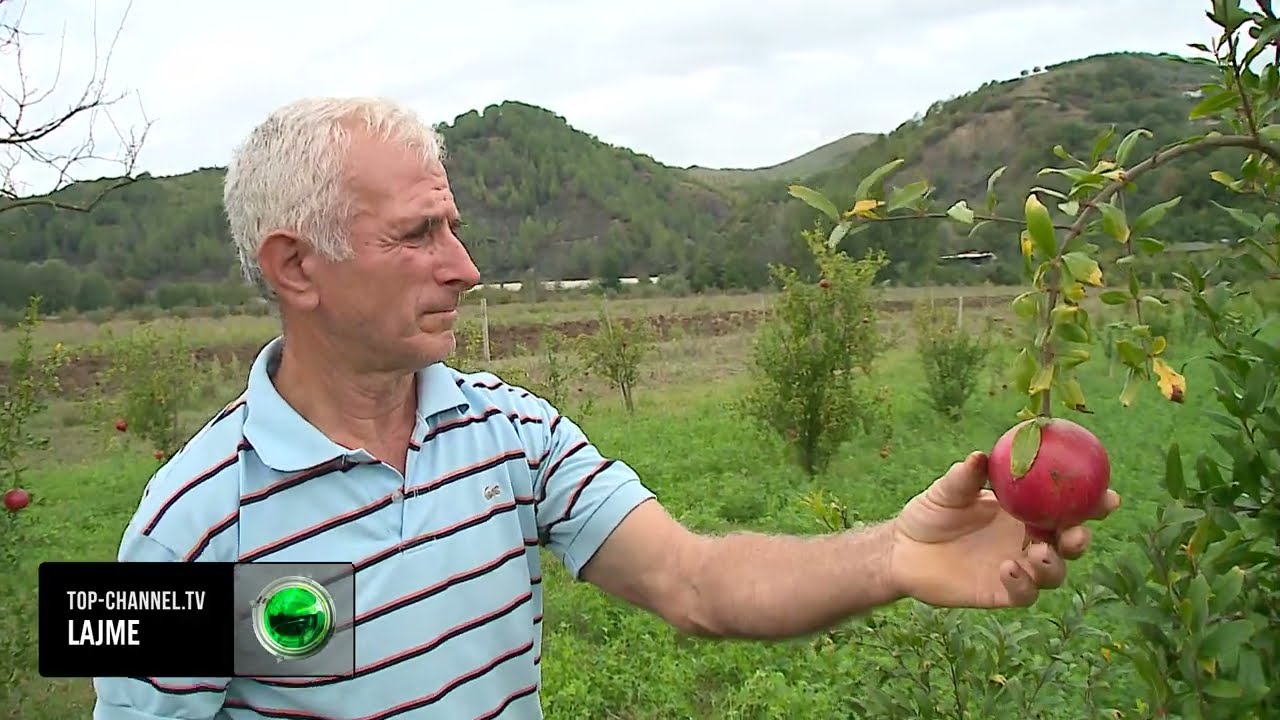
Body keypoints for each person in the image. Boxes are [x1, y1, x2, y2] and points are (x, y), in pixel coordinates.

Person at [92, 96, 1121, 720]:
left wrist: (894, 556)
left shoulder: (510, 435)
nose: (467, 267)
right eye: (417, 235)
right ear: (296, 267)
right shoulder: (186, 530)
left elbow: (697, 579)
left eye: (454, 226)